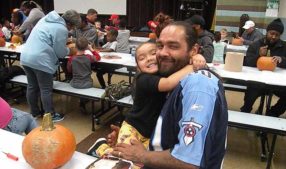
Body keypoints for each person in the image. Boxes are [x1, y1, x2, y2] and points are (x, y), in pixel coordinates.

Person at [105, 21, 228, 169]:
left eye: (173, 46)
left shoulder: (198, 85)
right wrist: (131, 137)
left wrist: (141, 155)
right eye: (160, 45)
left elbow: (188, 162)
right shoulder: (175, 77)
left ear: (193, 50)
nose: (163, 53)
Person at [87, 41, 206, 158]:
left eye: (153, 53)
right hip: (134, 128)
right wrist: (192, 66)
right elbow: (168, 83)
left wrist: (196, 56)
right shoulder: (143, 79)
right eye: (142, 58)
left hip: (152, 132)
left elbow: (179, 70)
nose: (148, 59)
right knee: (122, 158)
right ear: (137, 66)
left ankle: (112, 146)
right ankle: (101, 148)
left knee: (140, 162)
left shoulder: (166, 72)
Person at [20, 10, 81, 122]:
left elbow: (46, 38)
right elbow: (60, 52)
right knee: (46, 89)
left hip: (26, 56)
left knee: (32, 86)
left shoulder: (46, 19)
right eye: (72, 27)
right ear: (70, 24)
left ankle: (34, 112)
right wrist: (70, 50)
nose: (71, 30)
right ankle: (50, 115)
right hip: (41, 59)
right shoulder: (62, 28)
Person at [240, 18, 286, 117]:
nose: (274, 36)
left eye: (277, 35)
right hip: (258, 81)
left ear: (280, 35)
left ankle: (273, 113)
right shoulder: (256, 44)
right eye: (272, 33)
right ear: (267, 32)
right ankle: (246, 110)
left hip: (277, 81)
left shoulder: (284, 46)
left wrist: (282, 59)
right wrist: (259, 55)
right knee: (251, 92)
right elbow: (248, 62)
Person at [67, 37, 101, 112]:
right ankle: (83, 102)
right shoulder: (89, 57)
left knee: (70, 80)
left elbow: (69, 70)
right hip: (88, 83)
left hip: (75, 84)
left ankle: (82, 102)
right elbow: (98, 57)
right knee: (87, 81)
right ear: (86, 47)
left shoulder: (72, 58)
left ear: (75, 47)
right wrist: (92, 49)